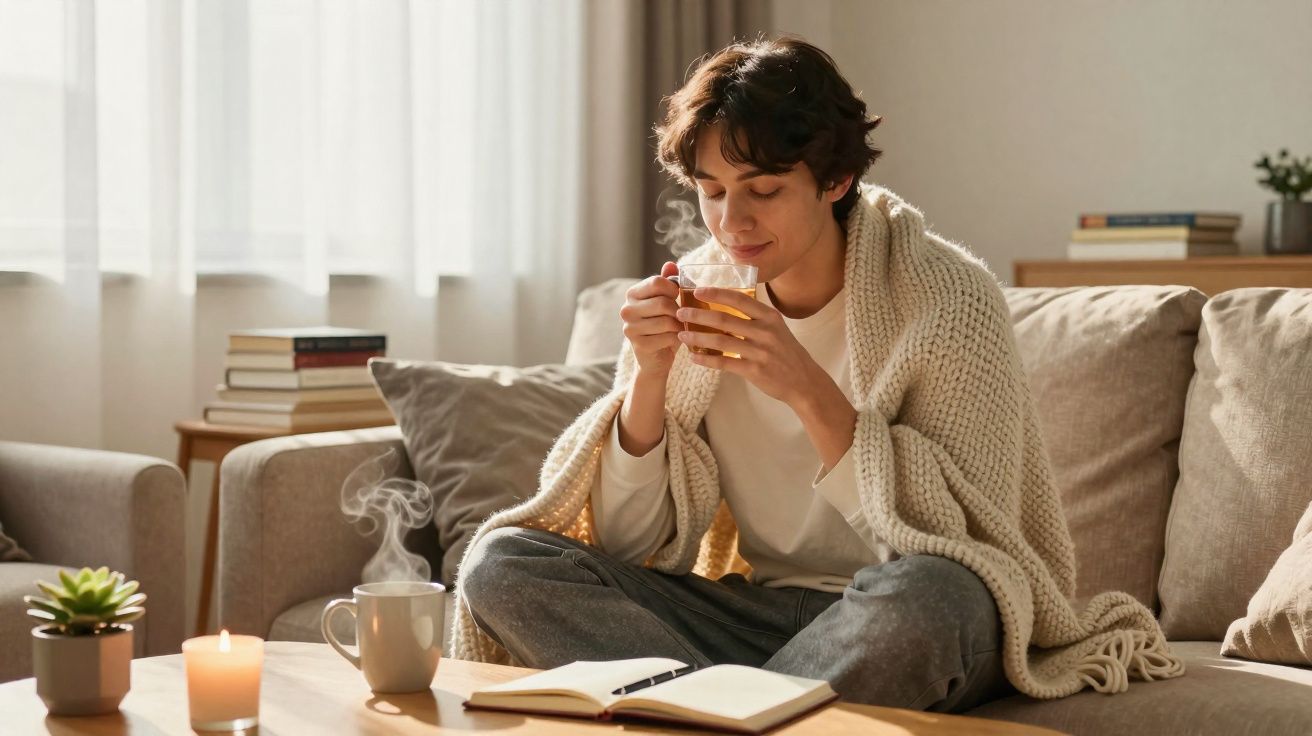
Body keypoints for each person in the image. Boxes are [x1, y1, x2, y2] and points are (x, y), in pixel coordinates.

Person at [454, 36, 1182, 711]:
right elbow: (622, 542)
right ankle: (746, 712)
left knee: (932, 600)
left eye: (763, 190)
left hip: (900, 608)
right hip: (754, 614)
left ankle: (702, 711)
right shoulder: (700, 295)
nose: (732, 223)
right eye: (711, 191)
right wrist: (648, 378)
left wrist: (803, 384)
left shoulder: (949, 299)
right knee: (502, 563)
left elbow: (966, 544)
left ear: (834, 179)